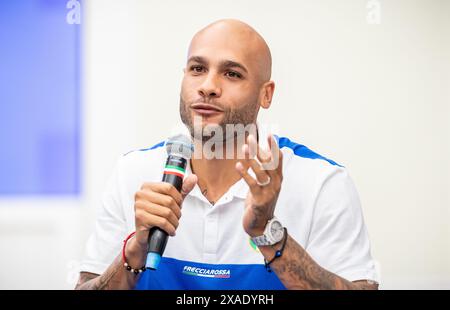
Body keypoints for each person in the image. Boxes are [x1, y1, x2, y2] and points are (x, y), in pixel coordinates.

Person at [76, 19, 379, 290]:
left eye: (232, 73)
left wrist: (267, 233)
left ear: (266, 94)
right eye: (197, 69)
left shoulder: (322, 182)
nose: (208, 86)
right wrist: (135, 250)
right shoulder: (132, 172)